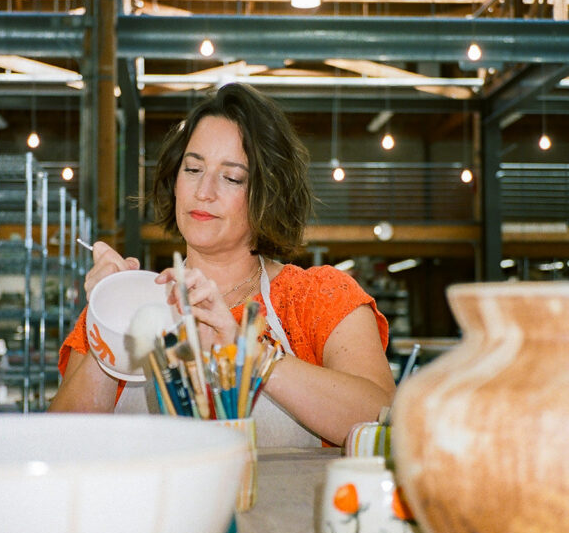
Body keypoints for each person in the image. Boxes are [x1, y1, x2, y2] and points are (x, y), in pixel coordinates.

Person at [49, 82, 396, 446]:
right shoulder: (127, 302)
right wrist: (117, 324)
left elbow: (380, 417)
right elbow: (60, 446)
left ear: (268, 194)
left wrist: (251, 352)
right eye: (193, 169)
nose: (204, 191)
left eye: (231, 177)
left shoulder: (317, 297)